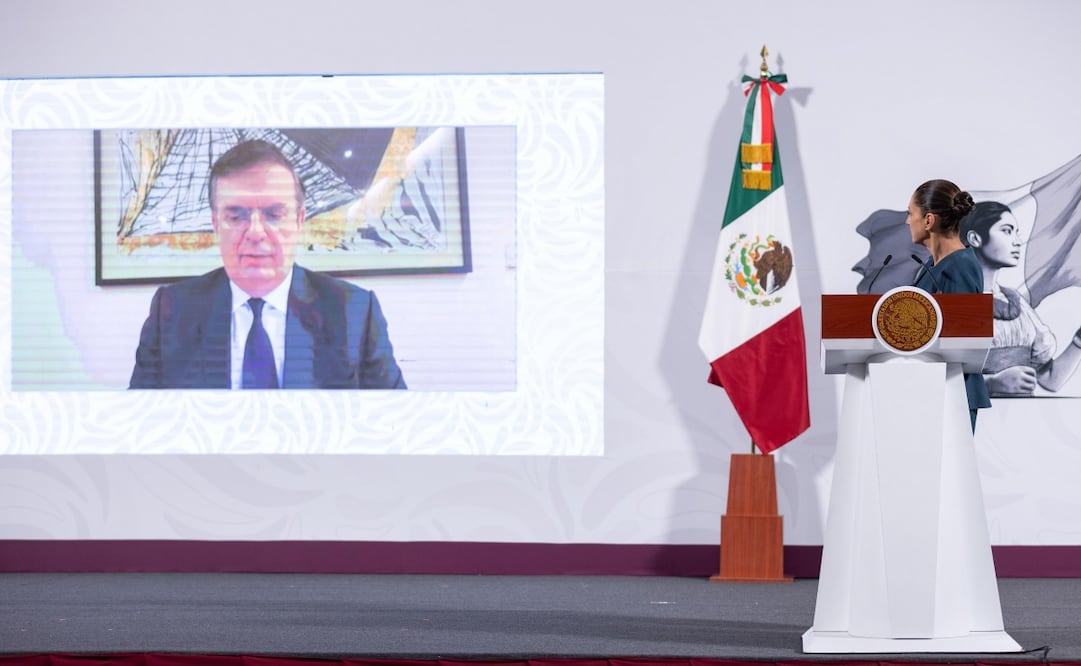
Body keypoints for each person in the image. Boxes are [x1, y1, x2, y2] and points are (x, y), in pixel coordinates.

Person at [129, 139, 407, 389]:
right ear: (215, 224)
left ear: (299, 220)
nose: (255, 232)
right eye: (235, 216)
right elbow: (139, 426)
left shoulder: (354, 312)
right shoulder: (171, 312)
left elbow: (395, 426)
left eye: (274, 214)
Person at [960, 201, 1081, 396]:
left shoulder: (1016, 301)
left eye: (1016, 232)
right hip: (981, 421)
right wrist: (991, 384)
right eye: (1007, 231)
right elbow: (943, 381)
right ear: (975, 238)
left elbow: (1050, 380)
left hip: (1022, 419)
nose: (1017, 241)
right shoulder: (959, 300)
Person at [905, 179, 989, 430]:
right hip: (932, 389)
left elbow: (960, 340)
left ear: (928, 220)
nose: (907, 221)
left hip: (952, 393)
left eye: (911, 214)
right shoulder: (931, 266)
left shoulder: (960, 266)